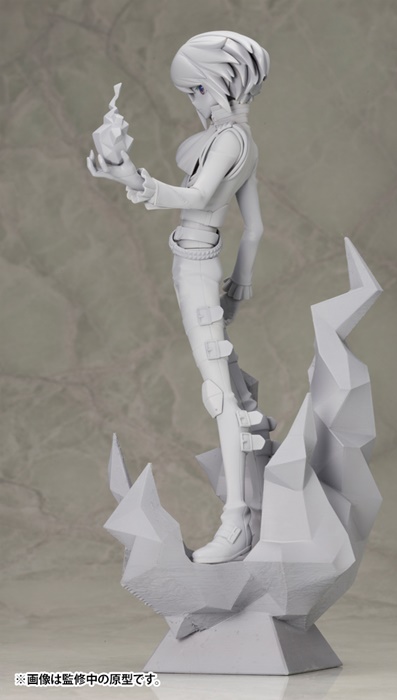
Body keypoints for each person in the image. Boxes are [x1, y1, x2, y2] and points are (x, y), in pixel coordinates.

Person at [87, 31, 269, 564]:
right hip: (198, 265)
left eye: (196, 90)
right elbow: (255, 229)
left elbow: (199, 195)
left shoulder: (230, 140)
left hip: (197, 266)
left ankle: (237, 522)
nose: (194, 102)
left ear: (219, 83)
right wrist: (239, 287)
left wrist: (134, 177)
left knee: (219, 395)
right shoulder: (239, 139)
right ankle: (254, 496)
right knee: (227, 387)